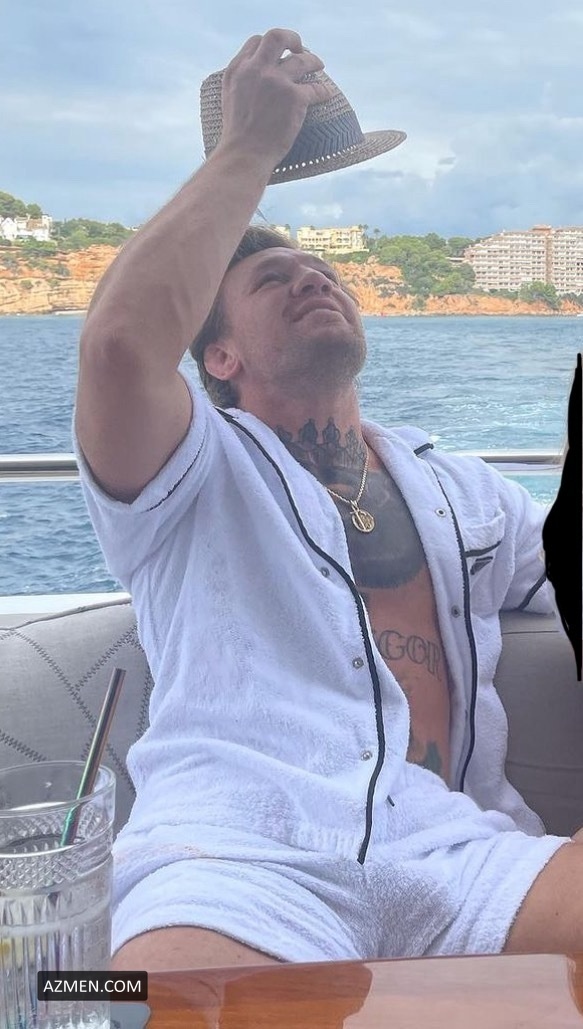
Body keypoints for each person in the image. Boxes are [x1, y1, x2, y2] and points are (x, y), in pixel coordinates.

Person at [74, 28, 583, 972]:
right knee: (159, 1004)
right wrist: (248, 147)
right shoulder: (187, 468)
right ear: (218, 355)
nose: (311, 276)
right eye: (271, 280)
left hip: (458, 848)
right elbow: (118, 348)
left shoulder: (463, 489)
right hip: (234, 854)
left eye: (324, 273)